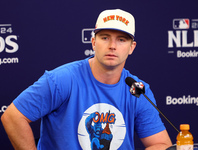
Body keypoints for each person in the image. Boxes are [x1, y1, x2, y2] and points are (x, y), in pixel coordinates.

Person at [1, 9, 172, 150]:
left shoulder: (137, 89)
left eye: (121, 40)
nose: (112, 46)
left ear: (131, 47)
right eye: (105, 37)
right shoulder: (63, 79)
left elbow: (160, 143)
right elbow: (13, 117)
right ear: (93, 42)